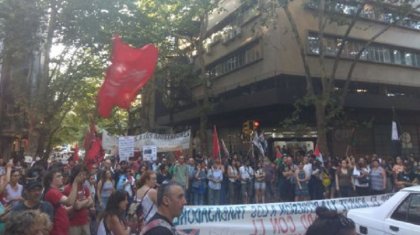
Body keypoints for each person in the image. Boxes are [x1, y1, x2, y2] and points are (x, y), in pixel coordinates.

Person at [43, 167, 84, 235]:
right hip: (56, 231)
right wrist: (75, 183)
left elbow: (65, 209)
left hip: (62, 230)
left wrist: (77, 204)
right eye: (58, 176)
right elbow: (69, 202)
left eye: (61, 175)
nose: (62, 177)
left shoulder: (56, 191)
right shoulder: (52, 192)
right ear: (51, 180)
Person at [63, 164, 93, 235]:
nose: (84, 177)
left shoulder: (85, 187)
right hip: (73, 224)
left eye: (85, 175)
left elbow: (92, 202)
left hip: (85, 222)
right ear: (75, 175)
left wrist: (83, 202)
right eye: (82, 175)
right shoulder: (68, 188)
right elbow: (76, 206)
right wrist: (87, 201)